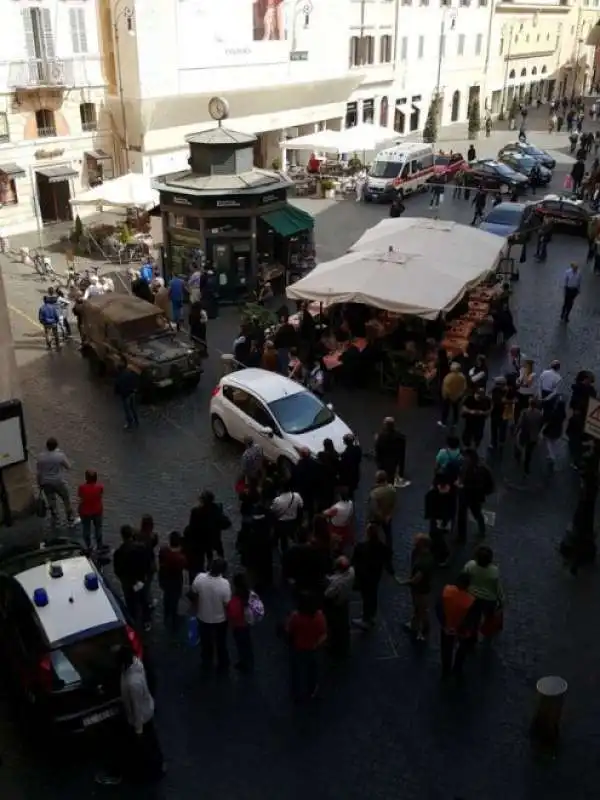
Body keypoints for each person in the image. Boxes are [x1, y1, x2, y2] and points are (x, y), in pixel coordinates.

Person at [116, 646, 164, 783]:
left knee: (147, 743)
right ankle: (157, 766)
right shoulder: (136, 665)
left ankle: (152, 770)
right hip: (147, 709)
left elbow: (136, 707)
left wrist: (138, 728)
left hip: (142, 717)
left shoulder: (133, 683)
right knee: (152, 741)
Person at [191, 558, 231, 673]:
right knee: (221, 643)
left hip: (203, 617)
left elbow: (193, 593)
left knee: (205, 643)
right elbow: (227, 603)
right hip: (220, 619)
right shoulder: (224, 584)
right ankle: (223, 664)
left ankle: (206, 663)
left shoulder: (200, 578)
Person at [285, 591, 327, 702]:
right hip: (313, 648)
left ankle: (296, 692)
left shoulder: (296, 617)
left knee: (296, 670)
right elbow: (323, 634)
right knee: (312, 670)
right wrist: (317, 644)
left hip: (298, 647)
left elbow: (289, 630)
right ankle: (312, 690)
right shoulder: (319, 616)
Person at [437, 572, 479, 678]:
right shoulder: (470, 600)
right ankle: (457, 668)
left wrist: (443, 623)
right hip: (462, 630)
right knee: (462, 649)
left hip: (447, 626)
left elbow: (438, 608)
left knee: (446, 649)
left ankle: (446, 670)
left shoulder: (447, 591)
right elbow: (471, 618)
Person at [351, 523, 394, 629]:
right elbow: (388, 560)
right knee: (373, 595)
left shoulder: (361, 547)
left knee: (366, 597)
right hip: (375, 576)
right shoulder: (382, 547)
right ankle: (372, 615)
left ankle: (366, 619)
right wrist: (392, 573)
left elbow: (354, 561)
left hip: (364, 576)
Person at [185, 490, 230, 579]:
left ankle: (205, 572)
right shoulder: (216, 509)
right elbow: (225, 522)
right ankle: (218, 567)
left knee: (203, 557)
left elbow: (192, 527)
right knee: (215, 552)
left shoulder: (196, 512)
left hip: (201, 540)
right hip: (213, 538)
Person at [113, 525, 153, 628]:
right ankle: (146, 621)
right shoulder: (141, 548)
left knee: (130, 602)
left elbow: (117, 570)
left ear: (122, 536)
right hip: (140, 580)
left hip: (128, 583)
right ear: (132, 534)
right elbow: (147, 564)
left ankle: (133, 622)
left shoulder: (119, 552)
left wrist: (124, 579)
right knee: (144, 600)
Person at [398, 534, 435, 642]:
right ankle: (414, 624)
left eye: (416, 540)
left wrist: (403, 582)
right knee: (418, 608)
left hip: (421, 590)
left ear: (422, 544)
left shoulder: (424, 562)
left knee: (422, 610)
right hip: (420, 588)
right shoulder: (420, 554)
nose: (414, 542)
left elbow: (416, 579)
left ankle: (423, 632)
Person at [36, 437, 77, 527]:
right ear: (56, 446)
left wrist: (39, 483)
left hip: (46, 482)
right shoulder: (60, 456)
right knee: (66, 499)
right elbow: (68, 467)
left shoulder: (40, 457)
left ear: (46, 446)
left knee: (51, 501)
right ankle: (70, 518)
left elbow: (39, 472)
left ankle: (56, 519)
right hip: (58, 481)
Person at [463, 545, 504, 630]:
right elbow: (497, 588)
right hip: (489, 599)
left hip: (472, 595)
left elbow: (463, 578)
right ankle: (487, 630)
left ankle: (473, 631)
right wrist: (501, 601)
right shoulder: (493, 571)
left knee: (474, 617)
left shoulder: (470, 566)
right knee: (489, 616)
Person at [456, 449, 493, 542]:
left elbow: (488, 483)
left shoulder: (480, 469)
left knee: (476, 513)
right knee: (462, 515)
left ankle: (481, 529)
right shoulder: (465, 465)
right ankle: (461, 536)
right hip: (466, 494)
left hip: (473, 495)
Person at [323, 556, 355, 658]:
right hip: (345, 600)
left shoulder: (337, 582)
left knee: (334, 625)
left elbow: (328, 594)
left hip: (336, 604)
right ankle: (345, 642)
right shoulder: (351, 571)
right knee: (344, 623)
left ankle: (335, 645)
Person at [424, 475, 457, 567]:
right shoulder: (447, 494)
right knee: (436, 535)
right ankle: (437, 552)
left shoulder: (443, 494)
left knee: (439, 536)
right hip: (438, 518)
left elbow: (451, 509)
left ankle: (441, 554)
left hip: (441, 519)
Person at [226, 572, 255, 673]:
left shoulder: (237, 597)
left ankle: (244, 663)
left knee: (241, 644)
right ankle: (249, 661)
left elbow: (233, 612)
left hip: (238, 625)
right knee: (247, 643)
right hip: (246, 623)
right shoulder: (249, 594)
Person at [158, 531, 186, 630]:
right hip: (175, 581)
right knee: (174, 599)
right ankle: (174, 619)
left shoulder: (163, 551)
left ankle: (166, 615)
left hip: (165, 579)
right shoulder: (180, 558)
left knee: (167, 596)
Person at [375, 417, 410, 488]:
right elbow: (402, 451)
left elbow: (378, 449)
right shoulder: (400, 436)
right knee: (392, 474)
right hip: (395, 460)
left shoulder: (381, 436)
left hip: (384, 460)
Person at [368, 470, 397, 553]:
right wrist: (389, 514)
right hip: (388, 515)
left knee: (374, 533)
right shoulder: (392, 489)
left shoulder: (375, 493)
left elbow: (373, 508)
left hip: (377, 518)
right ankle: (389, 549)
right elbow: (393, 503)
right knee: (388, 534)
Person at [271, 481, 304, 553]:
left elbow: (273, 512)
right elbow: (301, 507)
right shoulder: (297, 496)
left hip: (281, 524)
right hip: (293, 523)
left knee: (281, 541)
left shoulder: (277, 500)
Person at [514, 396, 543, 476]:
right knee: (529, 452)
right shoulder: (539, 414)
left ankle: (518, 460)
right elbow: (541, 424)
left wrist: (516, 431)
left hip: (524, 434)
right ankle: (526, 468)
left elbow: (520, 423)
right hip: (533, 436)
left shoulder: (524, 412)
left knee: (518, 446)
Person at [78, 469, 104, 550]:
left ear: (86, 478)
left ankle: (88, 546)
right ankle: (99, 545)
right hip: (97, 510)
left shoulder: (82, 487)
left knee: (86, 529)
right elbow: (101, 495)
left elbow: (80, 497)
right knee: (98, 528)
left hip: (85, 511)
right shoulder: (100, 487)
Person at [324, 487, 354, 551]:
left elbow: (325, 514)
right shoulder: (350, 503)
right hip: (345, 525)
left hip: (335, 527)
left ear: (339, 496)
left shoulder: (337, 507)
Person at [542, 395, 567, 470]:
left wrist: (543, 430)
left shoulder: (554, 413)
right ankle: (553, 454)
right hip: (558, 430)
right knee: (554, 442)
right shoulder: (562, 414)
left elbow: (549, 422)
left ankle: (552, 456)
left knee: (549, 443)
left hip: (551, 431)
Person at [114, 357, 140, 430]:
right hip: (132, 393)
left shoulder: (119, 377)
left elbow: (117, 387)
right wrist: (135, 390)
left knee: (127, 410)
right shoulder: (130, 373)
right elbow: (135, 381)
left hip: (125, 396)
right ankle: (136, 421)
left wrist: (117, 393)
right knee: (133, 408)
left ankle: (130, 424)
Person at [439, 362, 467, 428]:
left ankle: (443, 422)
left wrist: (445, 396)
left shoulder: (448, 377)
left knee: (446, 409)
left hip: (448, 397)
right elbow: (464, 387)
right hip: (457, 397)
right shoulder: (462, 376)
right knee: (456, 409)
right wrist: (460, 395)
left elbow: (445, 389)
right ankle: (455, 422)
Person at [338, 433, 362, 499]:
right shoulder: (357, 449)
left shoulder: (344, 454)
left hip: (349, 476)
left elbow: (341, 466)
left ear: (345, 442)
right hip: (356, 473)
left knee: (350, 493)